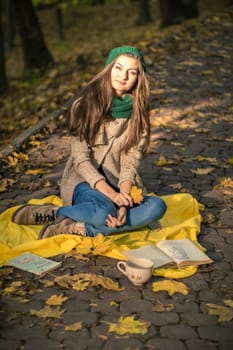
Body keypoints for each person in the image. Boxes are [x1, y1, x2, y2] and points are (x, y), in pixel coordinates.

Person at [12, 45, 167, 238]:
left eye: (132, 72)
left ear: (138, 78)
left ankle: (80, 228)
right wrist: (113, 197)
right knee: (104, 212)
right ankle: (54, 213)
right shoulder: (84, 106)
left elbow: (130, 163)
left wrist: (124, 202)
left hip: (120, 183)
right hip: (83, 180)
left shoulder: (138, 116)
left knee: (157, 207)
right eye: (118, 68)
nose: (123, 76)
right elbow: (81, 160)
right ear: (109, 68)